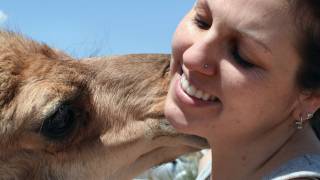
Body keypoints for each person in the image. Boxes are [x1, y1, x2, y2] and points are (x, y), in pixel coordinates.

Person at [164, 0, 320, 179]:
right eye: (202, 21)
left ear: (310, 97)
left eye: (241, 56)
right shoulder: (215, 161)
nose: (191, 57)